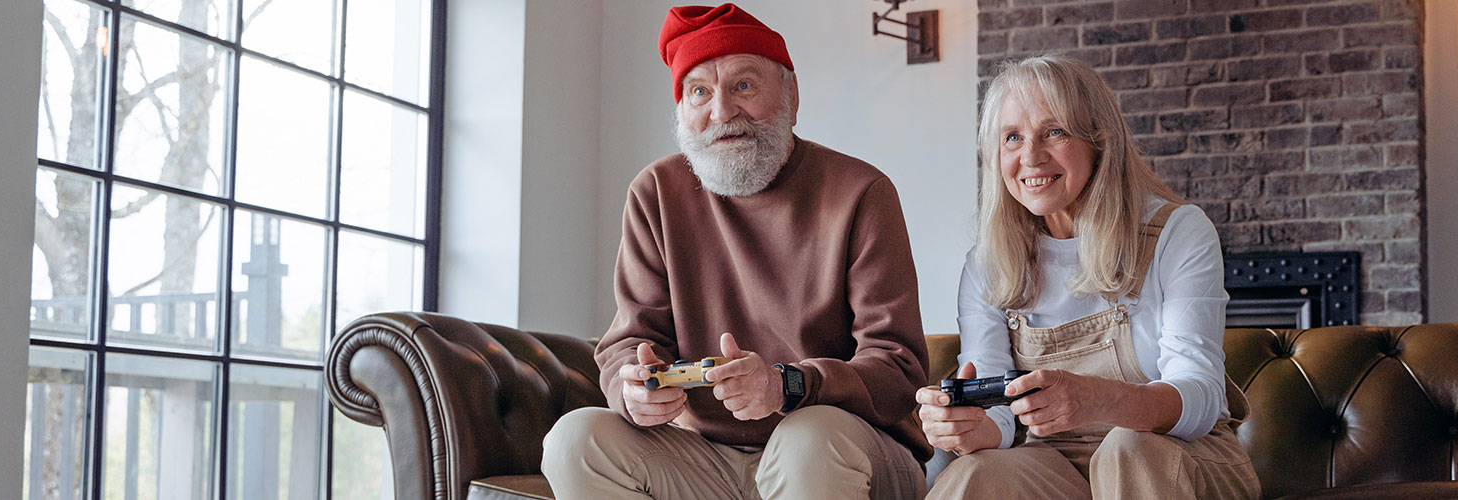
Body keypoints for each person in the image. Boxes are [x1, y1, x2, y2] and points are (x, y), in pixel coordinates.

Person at [540, 4, 930, 500]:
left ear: (791, 96)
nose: (722, 112)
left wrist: (787, 385)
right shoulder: (655, 192)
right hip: (708, 456)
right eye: (700, 91)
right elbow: (629, 342)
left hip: (849, 449)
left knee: (806, 439)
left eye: (743, 86)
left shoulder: (861, 190)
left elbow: (898, 368)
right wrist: (633, 388)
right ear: (682, 109)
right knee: (575, 440)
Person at [917, 55, 1261, 499]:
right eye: (1013, 137)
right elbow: (1001, 420)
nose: (1031, 156)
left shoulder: (1177, 230)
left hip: (1181, 458)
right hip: (1055, 464)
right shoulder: (988, 262)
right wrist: (966, 427)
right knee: (974, 474)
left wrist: (1100, 399)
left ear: (1100, 140)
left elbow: (1201, 397)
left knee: (1128, 448)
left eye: (1054, 131)